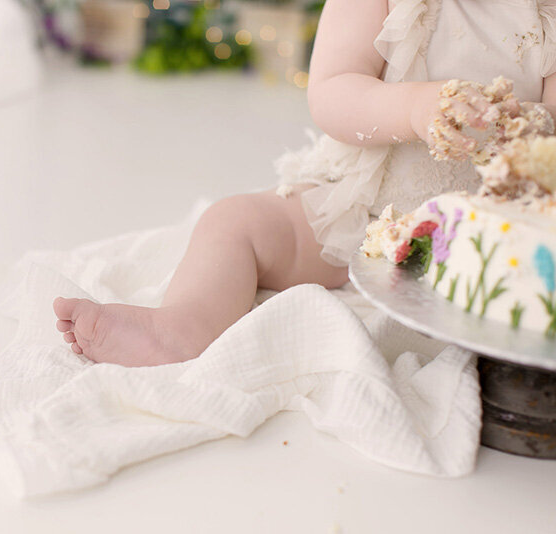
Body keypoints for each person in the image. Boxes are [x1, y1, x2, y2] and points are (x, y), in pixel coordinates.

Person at [53, 0, 556, 366]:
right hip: (367, 207)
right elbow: (333, 93)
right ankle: (183, 326)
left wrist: (527, 129)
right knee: (234, 223)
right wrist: (415, 107)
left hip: (496, 225)